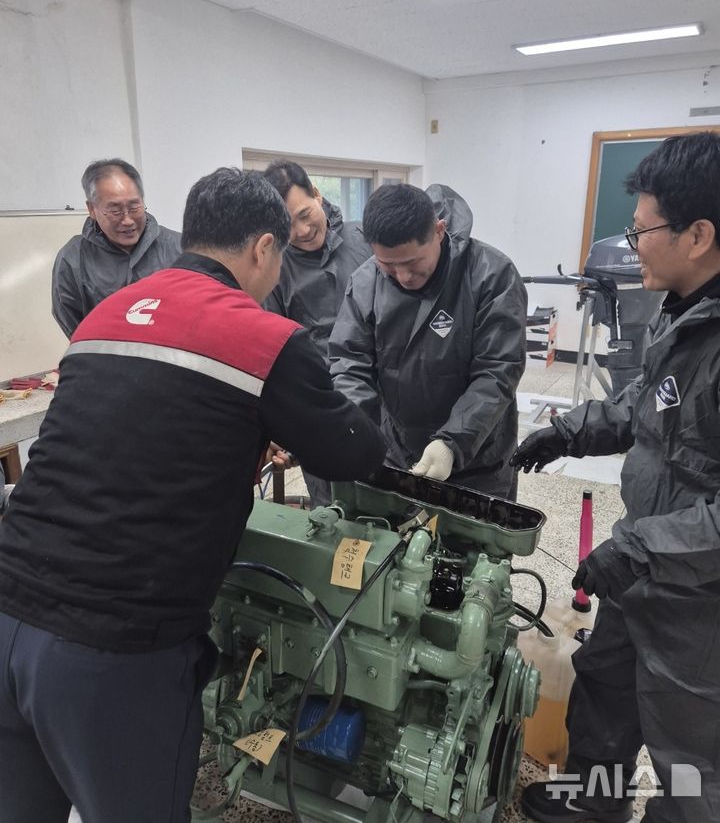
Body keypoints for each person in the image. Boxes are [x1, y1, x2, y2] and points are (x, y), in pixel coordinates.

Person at [0, 168, 385, 823]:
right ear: (264, 248)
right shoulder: (264, 337)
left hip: (7, 612)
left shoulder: (104, 315)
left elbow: (130, 427)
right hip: (111, 651)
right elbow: (353, 454)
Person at [512, 131, 720, 823]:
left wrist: (639, 547)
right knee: (603, 690)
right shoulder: (685, 308)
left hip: (700, 595)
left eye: (641, 233)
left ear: (697, 234)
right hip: (645, 566)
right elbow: (650, 404)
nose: (632, 249)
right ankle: (591, 809)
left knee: (690, 758)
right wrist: (566, 431)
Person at [329, 182, 527, 500]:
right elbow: (348, 364)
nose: (403, 276)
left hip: (478, 454)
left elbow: (498, 370)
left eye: (413, 263)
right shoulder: (366, 283)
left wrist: (453, 442)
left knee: (468, 546)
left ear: (438, 230)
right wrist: (360, 432)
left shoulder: (491, 275)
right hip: (398, 448)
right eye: (388, 266)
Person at [263, 160, 372, 507]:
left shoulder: (365, 240)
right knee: (332, 512)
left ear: (318, 195)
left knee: (393, 511)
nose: (301, 230)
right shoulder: (274, 269)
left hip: (381, 400)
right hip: (320, 406)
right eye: (287, 224)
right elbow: (275, 353)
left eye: (305, 213)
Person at [52, 157, 182, 338]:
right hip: (107, 362)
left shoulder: (180, 248)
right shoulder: (73, 259)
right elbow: (74, 325)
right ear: (91, 209)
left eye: (134, 207)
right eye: (115, 211)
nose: (127, 220)